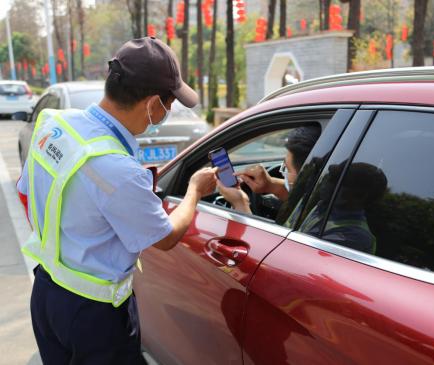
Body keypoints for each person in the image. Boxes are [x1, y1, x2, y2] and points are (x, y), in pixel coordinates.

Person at [16, 37, 217, 364]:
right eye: (169, 104)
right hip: (94, 315)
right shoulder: (119, 170)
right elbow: (165, 237)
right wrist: (194, 190)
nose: (166, 112)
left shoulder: (56, 124)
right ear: (153, 104)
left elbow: (27, 191)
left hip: (46, 292)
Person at [217, 125, 322, 215]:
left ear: (308, 177)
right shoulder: (327, 196)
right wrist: (270, 184)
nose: (283, 172)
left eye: (287, 168)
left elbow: (260, 239)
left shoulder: (319, 221)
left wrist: (240, 204)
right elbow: (303, 194)